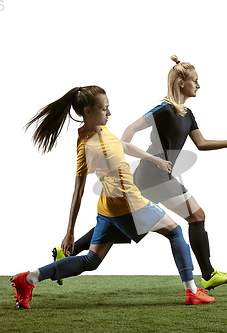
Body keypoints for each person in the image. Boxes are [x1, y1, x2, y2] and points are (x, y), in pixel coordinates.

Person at [60, 55, 227, 290]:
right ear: (181, 82)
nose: (199, 85)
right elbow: (130, 129)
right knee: (196, 216)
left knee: (119, 225)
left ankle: (63, 252)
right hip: (153, 176)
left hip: (157, 177)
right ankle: (208, 274)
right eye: (195, 80)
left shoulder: (188, 114)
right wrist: (118, 160)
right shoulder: (164, 109)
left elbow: (201, 144)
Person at [11, 86, 215, 309]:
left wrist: (153, 159)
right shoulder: (86, 146)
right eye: (104, 108)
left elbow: (122, 144)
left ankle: (29, 278)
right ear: (88, 111)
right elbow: (77, 192)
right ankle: (192, 292)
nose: (109, 112)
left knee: (90, 261)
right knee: (175, 232)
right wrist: (69, 231)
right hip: (129, 204)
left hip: (108, 209)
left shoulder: (100, 129)